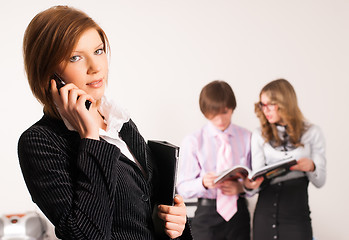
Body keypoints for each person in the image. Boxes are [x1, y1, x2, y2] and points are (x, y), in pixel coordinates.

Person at [18, 6, 192, 240]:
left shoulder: (119, 121)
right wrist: (89, 137)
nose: (95, 67)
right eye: (75, 57)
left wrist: (176, 222)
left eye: (98, 51)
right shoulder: (40, 142)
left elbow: (151, 208)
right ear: (49, 74)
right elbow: (87, 234)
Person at [249, 79, 326, 240]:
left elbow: (320, 181)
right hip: (264, 215)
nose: (266, 110)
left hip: (296, 216)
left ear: (284, 103)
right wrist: (250, 185)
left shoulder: (312, 132)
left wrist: (311, 167)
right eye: (263, 105)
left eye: (271, 104)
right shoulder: (259, 134)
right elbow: (257, 176)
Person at [176, 80, 254, 240]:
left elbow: (257, 178)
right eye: (214, 114)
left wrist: (242, 188)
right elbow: (182, 187)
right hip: (206, 215)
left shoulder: (248, 137)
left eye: (225, 112)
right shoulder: (194, 141)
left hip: (238, 214)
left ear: (232, 108)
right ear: (205, 112)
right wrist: (203, 183)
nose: (220, 119)